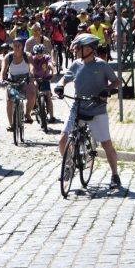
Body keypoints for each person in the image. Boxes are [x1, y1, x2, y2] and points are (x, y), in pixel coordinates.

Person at [54, 33, 122, 189]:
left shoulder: (102, 65)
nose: (76, 50)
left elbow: (116, 81)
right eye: (77, 47)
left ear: (90, 49)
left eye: (79, 48)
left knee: (106, 144)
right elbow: (65, 78)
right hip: (77, 107)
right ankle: (69, 165)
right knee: (62, 140)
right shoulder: (76, 64)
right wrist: (60, 85)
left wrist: (107, 90)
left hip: (97, 110)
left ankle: (115, 175)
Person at [1, 37, 36, 129]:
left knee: (32, 95)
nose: (16, 47)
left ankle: (27, 114)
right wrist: (1, 78)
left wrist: (32, 75)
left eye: (18, 46)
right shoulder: (8, 56)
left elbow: (31, 66)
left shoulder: (27, 55)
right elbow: (3, 69)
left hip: (25, 79)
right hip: (12, 80)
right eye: (15, 45)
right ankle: (10, 124)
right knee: (9, 101)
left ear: (22, 46)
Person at [30, 44, 56, 123]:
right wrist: (33, 79)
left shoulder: (47, 58)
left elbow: (50, 64)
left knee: (48, 95)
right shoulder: (32, 59)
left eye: (40, 52)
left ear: (43, 52)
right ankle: (33, 107)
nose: (39, 54)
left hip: (45, 78)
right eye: (37, 53)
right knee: (33, 92)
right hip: (35, 78)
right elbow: (31, 69)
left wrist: (54, 71)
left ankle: (51, 116)